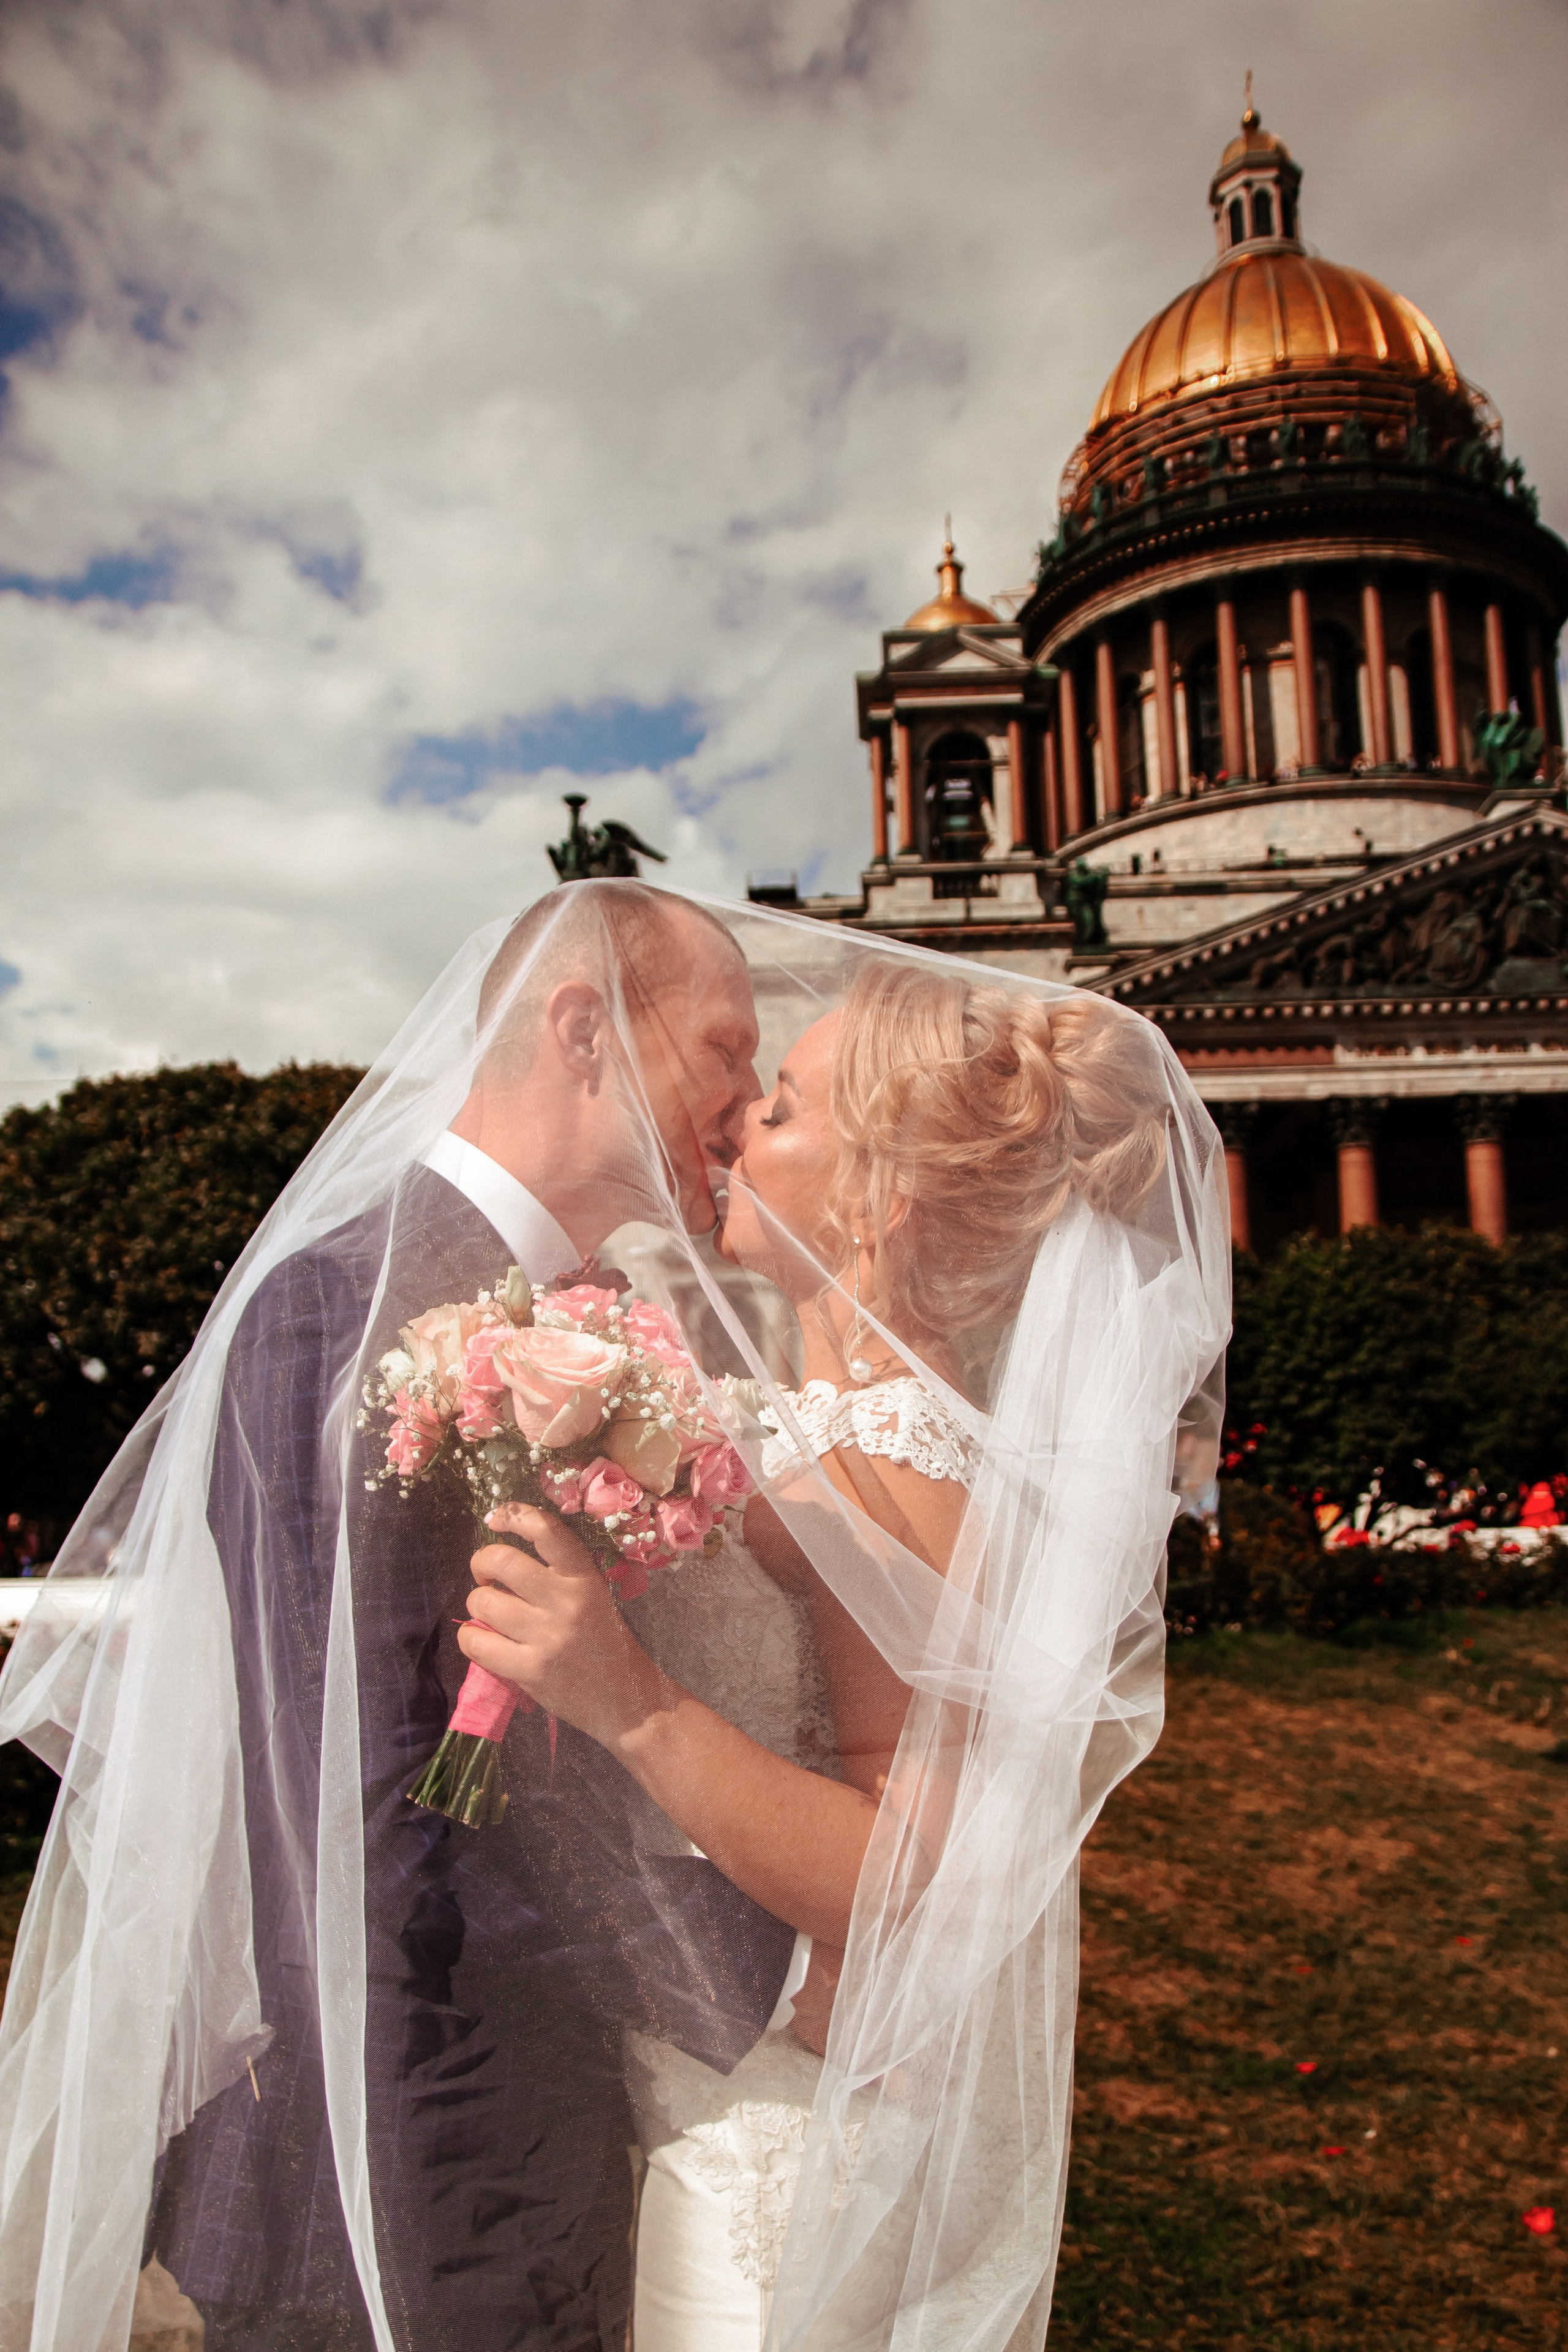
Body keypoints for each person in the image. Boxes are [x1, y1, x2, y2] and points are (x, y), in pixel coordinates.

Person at [0, 884, 797, 2352]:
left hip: (529, 2146)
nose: (748, 1103)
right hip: (397, 2177)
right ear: (582, 1030)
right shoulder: (341, 1309)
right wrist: (756, 1962)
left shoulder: (580, 1318)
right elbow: (359, 1820)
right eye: (725, 1050)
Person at [458, 955, 1230, 2350]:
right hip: (710, 2080)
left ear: (879, 1200)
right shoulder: (815, 1431)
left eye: (781, 1109)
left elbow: (908, 1875)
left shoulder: (887, 1455)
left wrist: (628, 1700)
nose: (734, 1125)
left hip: (785, 2140)